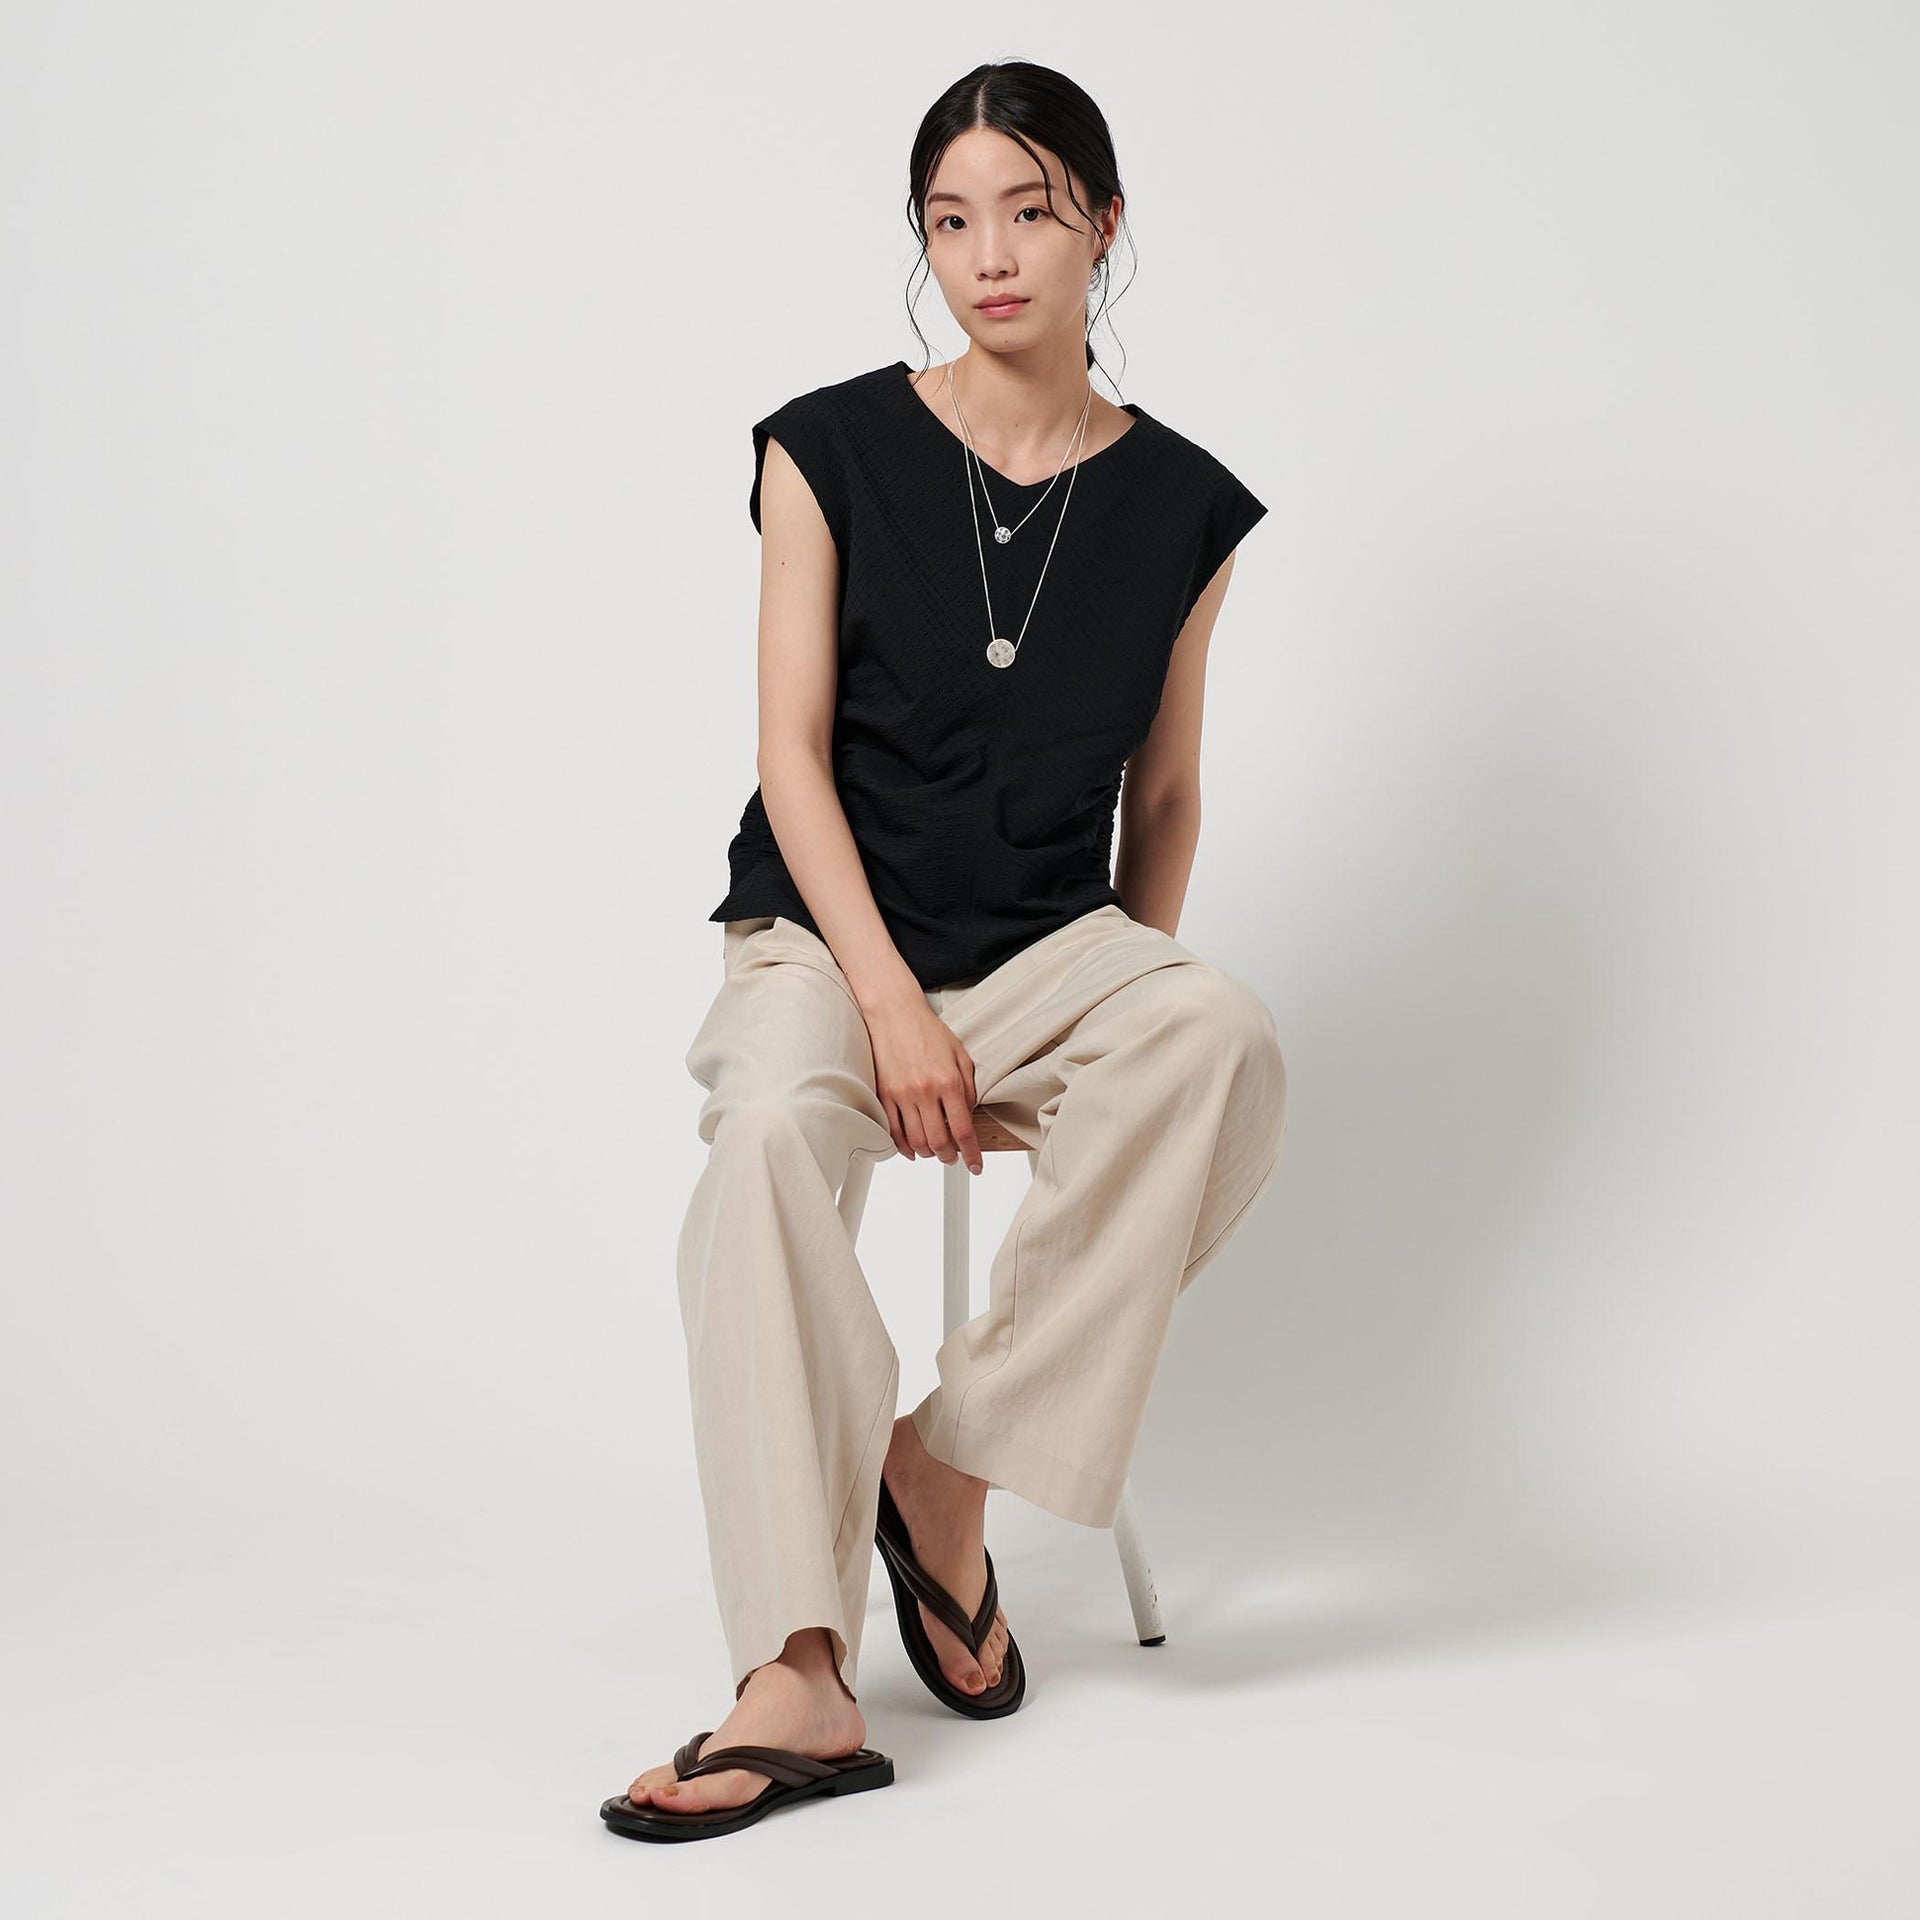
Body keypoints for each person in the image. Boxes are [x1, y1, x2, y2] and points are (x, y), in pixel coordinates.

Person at [601, 59, 1289, 1843]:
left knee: (1216, 1041)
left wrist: (1110, 1028)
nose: (990, 256)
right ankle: (797, 1667)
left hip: (1045, 941)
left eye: (1031, 212)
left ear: (1104, 226)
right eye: (952, 219)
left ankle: (947, 1464)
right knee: (769, 1138)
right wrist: (893, 1008)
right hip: (828, 937)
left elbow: (1168, 795)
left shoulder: (1187, 509)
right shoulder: (824, 452)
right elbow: (790, 759)